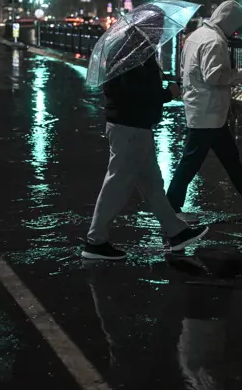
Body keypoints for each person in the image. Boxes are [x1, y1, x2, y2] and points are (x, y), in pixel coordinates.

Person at [83, 28, 208, 261]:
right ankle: (95, 240)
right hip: (130, 127)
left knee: (152, 184)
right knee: (117, 184)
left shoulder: (129, 50)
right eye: (158, 30)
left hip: (134, 126)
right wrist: (167, 94)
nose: (160, 34)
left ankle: (176, 232)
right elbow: (135, 94)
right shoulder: (133, 54)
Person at [166, 0, 242, 217]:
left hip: (202, 108)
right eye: (235, 24)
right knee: (193, 161)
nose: (235, 30)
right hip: (209, 112)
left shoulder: (196, 36)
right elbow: (214, 76)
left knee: (229, 159)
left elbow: (185, 70)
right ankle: (170, 204)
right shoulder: (215, 41)